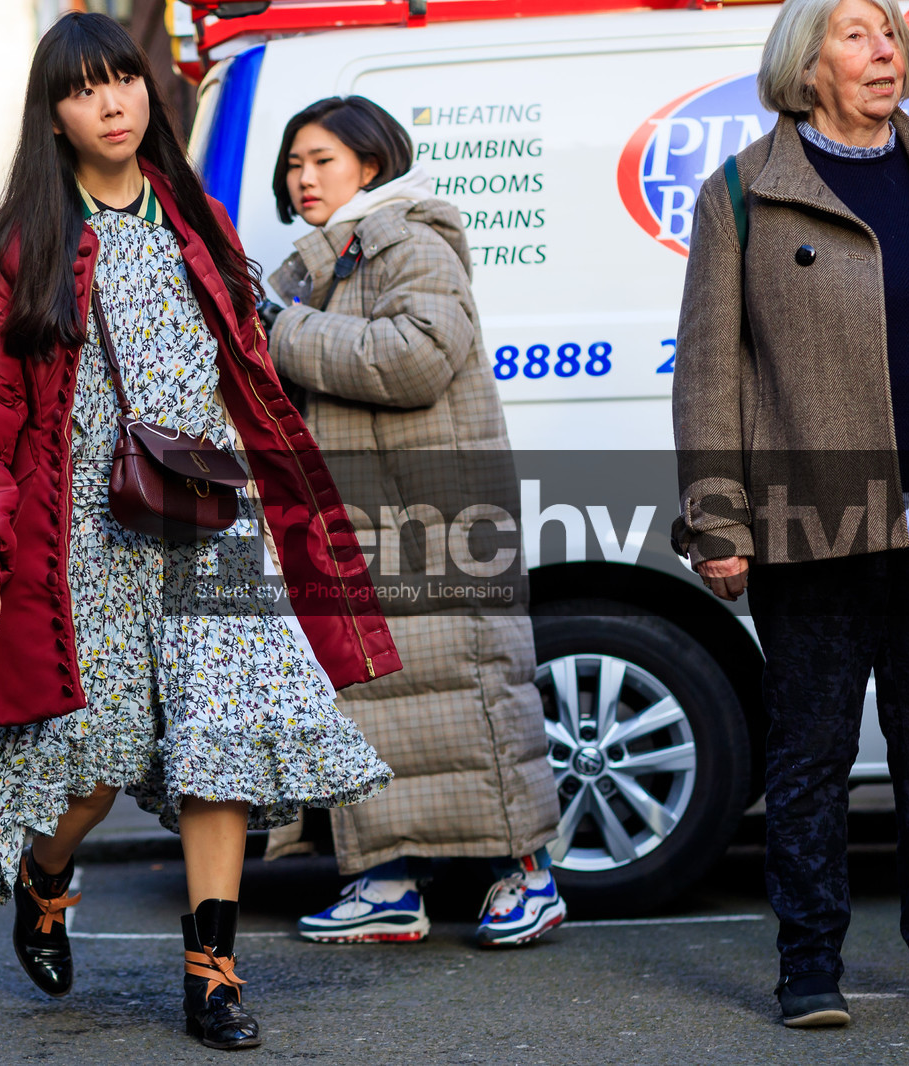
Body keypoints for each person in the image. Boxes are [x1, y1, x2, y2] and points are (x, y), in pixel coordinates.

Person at [0, 13, 397, 1051]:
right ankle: (44, 873)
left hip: (215, 520)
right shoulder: (23, 241)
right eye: (86, 89)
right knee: (94, 759)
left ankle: (211, 974)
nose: (113, 102)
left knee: (221, 747)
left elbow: (247, 360)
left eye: (125, 80)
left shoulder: (198, 217)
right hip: (84, 530)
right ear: (56, 116)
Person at [674, 0, 909, 1027]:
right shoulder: (742, 192)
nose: (884, 51)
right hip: (813, 521)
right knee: (810, 753)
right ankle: (807, 964)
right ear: (805, 63)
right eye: (858, 33)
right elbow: (709, 372)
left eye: (891, 35)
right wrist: (717, 522)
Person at [255, 96, 565, 949]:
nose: (304, 177)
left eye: (321, 159)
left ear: (371, 163)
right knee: (379, 704)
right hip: (369, 522)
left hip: (436, 518)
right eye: (293, 164)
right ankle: (387, 883)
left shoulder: (407, 241)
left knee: (472, 694)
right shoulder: (325, 261)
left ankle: (527, 876)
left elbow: (417, 358)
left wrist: (282, 328)